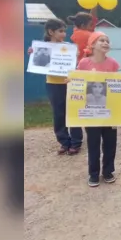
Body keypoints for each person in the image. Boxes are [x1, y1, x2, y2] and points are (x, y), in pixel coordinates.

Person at [27, 18, 83, 155]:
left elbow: (75, 64)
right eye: (61, 31)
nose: (64, 34)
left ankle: (76, 142)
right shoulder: (42, 47)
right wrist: (32, 53)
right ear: (51, 32)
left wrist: (75, 55)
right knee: (58, 113)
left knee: (72, 112)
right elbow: (39, 62)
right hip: (53, 84)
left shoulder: (69, 47)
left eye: (64, 31)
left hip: (69, 83)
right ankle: (64, 141)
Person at [77, 31, 121, 187]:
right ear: (92, 44)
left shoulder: (113, 64)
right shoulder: (83, 63)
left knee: (110, 142)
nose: (105, 42)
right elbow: (78, 83)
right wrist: (71, 81)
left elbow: (118, 87)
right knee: (93, 143)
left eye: (107, 40)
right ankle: (93, 174)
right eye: (101, 40)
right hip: (91, 111)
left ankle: (108, 171)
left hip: (109, 111)